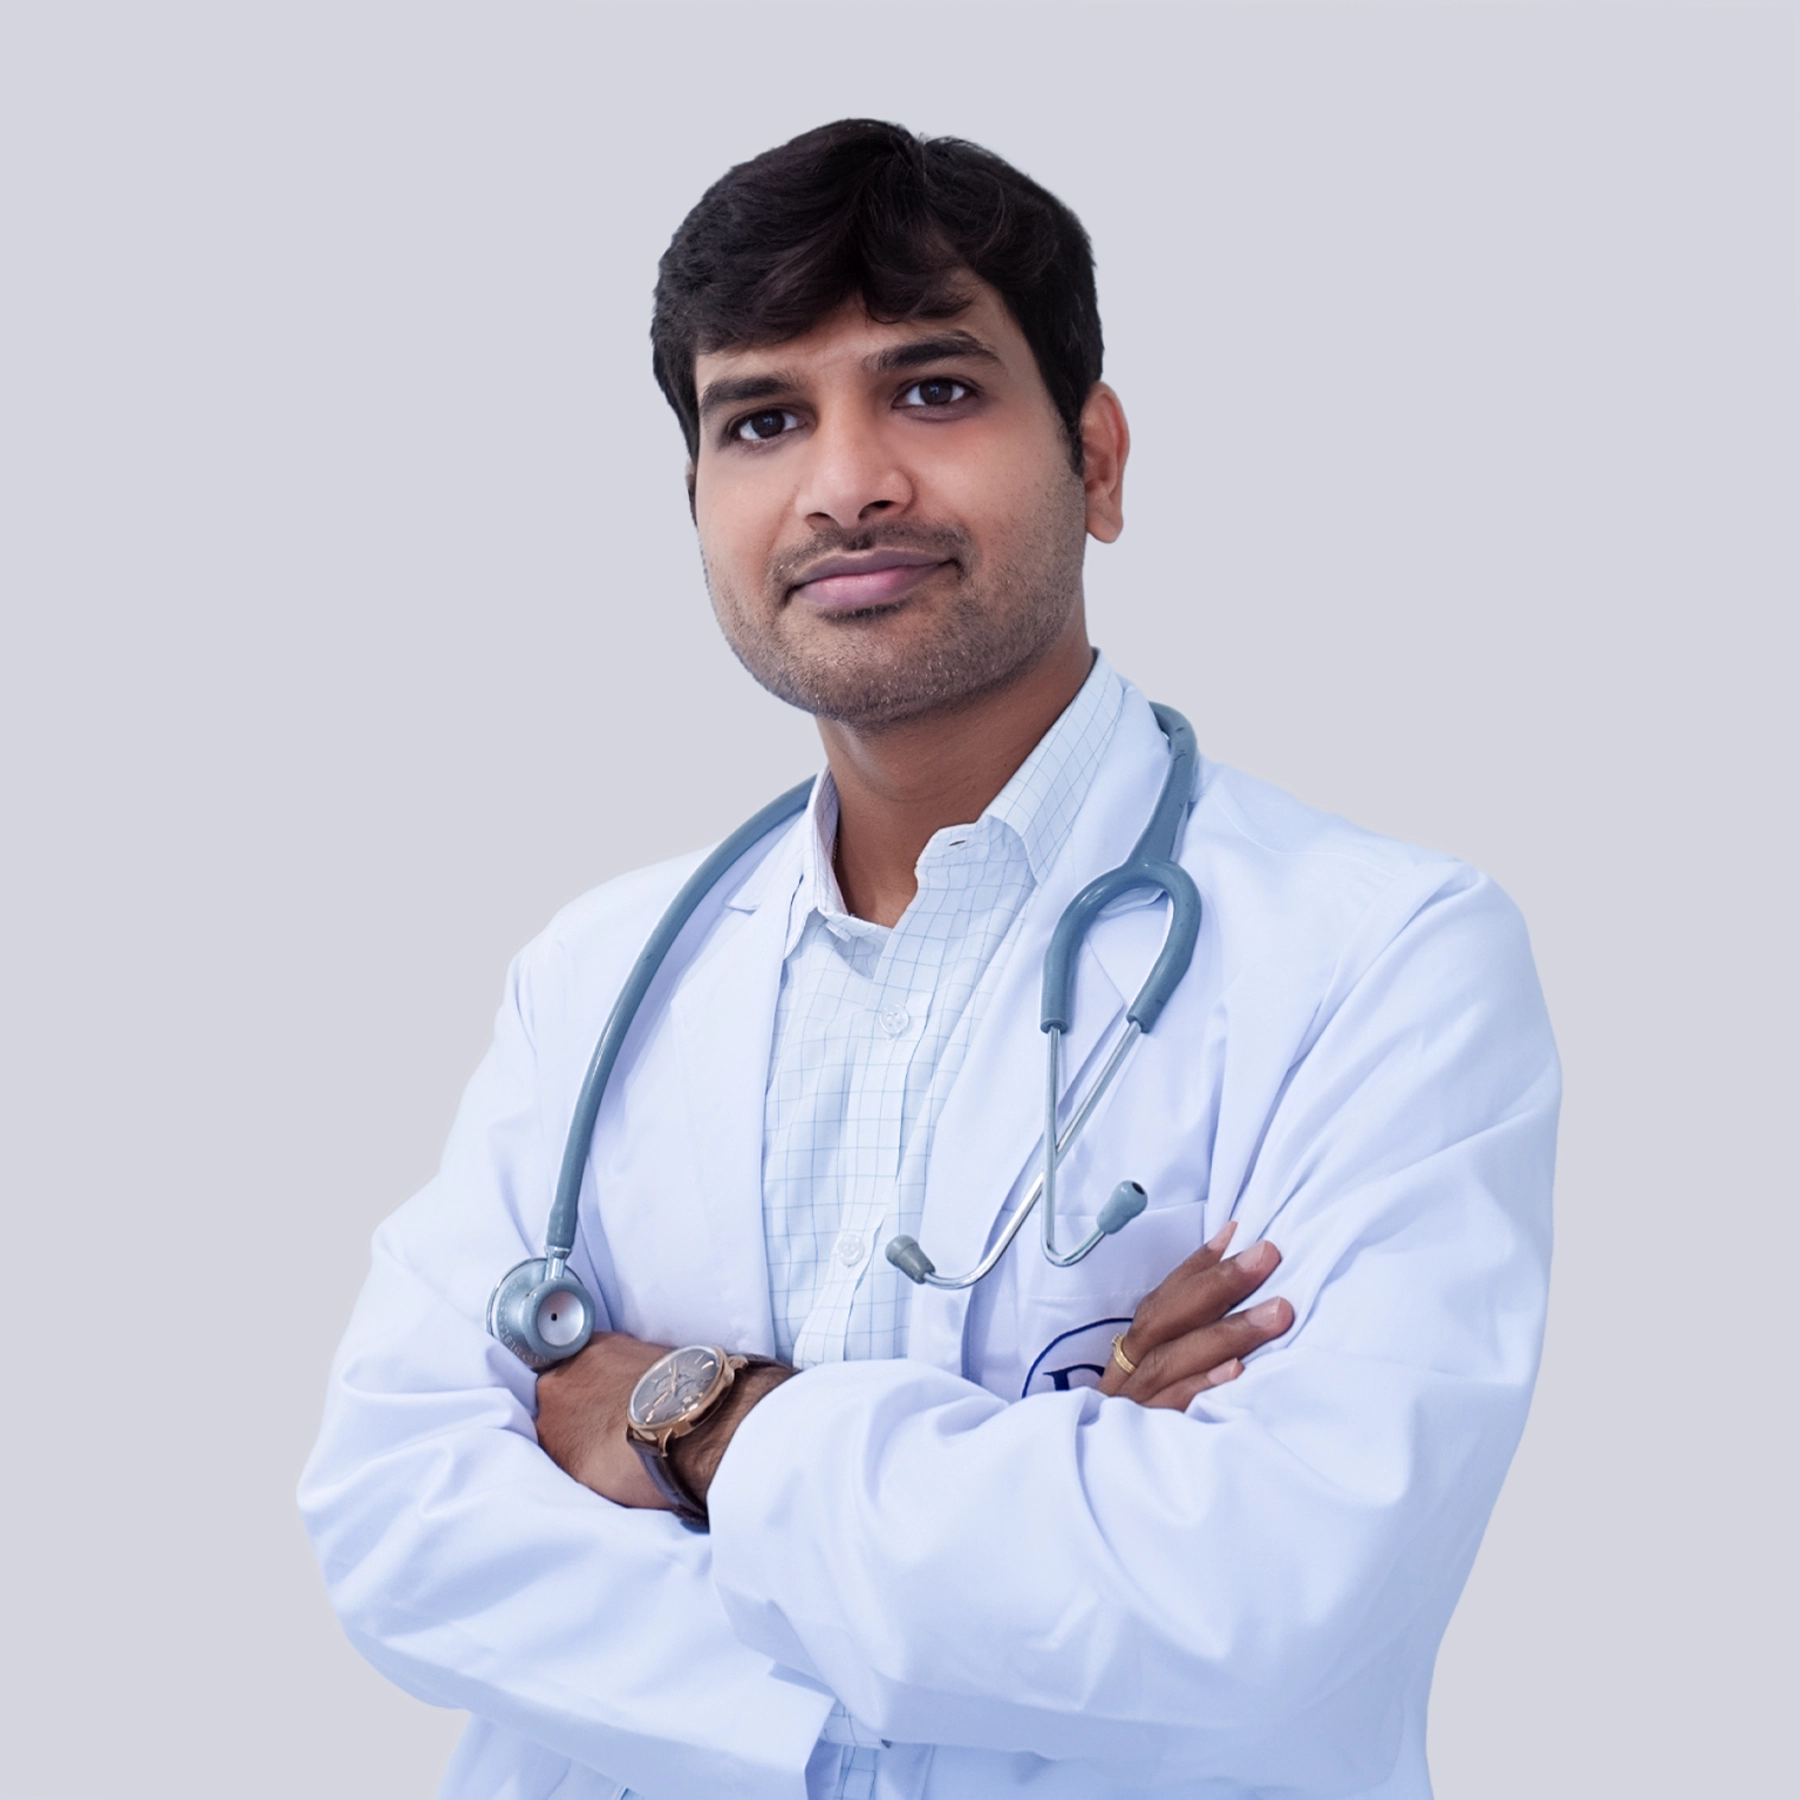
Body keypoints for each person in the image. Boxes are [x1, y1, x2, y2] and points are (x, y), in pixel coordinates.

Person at [299, 119, 1559, 1800]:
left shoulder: (1386, 958)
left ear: (1098, 461)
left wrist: (690, 1420)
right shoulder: (595, 977)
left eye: (935, 391)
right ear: (699, 504)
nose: (845, 483)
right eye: (763, 419)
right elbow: (396, 1517)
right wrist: (1049, 1505)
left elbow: (1264, 1592)